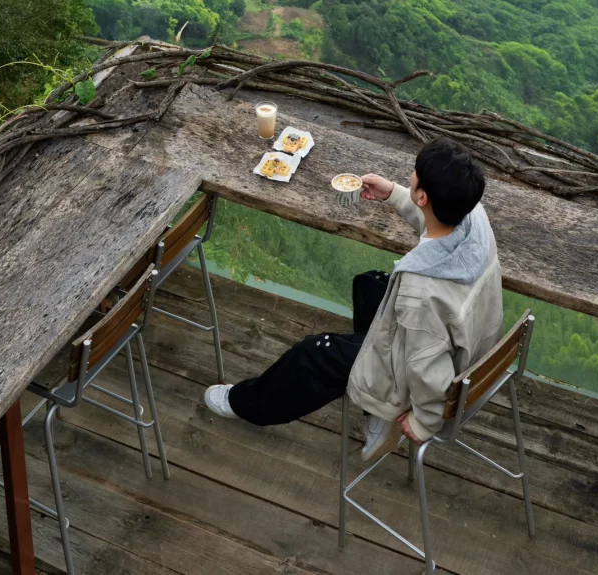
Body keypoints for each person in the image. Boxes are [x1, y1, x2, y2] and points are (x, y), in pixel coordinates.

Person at [203, 137, 503, 462]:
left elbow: (429, 371)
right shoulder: (473, 216)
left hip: (437, 374)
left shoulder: (421, 293)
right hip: (471, 346)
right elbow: (438, 226)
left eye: (415, 173)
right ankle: (375, 408)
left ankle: (246, 404)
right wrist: (394, 194)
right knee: (370, 284)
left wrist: (424, 422)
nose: (412, 174)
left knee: (312, 354)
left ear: (423, 196)